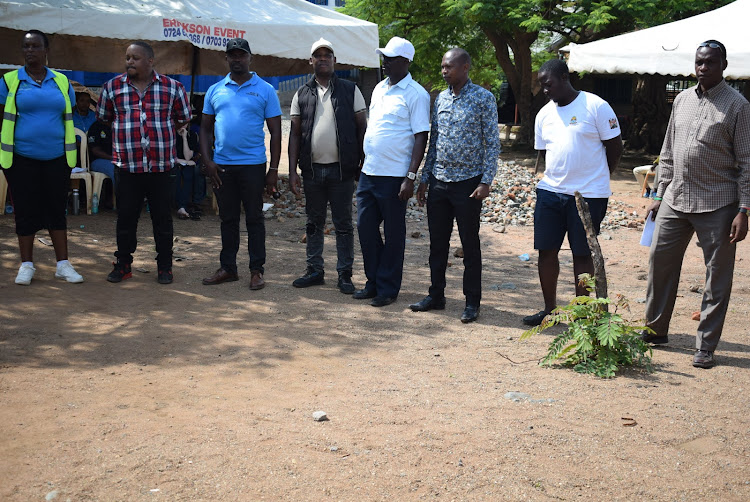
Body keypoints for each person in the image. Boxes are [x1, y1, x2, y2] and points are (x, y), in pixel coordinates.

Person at [642, 40, 750, 369]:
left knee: (717, 276)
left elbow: (747, 162)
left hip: (718, 202)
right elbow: (669, 151)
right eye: (699, 62)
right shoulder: (682, 100)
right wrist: (657, 196)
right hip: (676, 197)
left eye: (711, 63)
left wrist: (744, 210)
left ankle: (705, 345)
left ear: (724, 65)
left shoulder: (738, 106)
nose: (703, 68)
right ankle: (655, 330)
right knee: (660, 262)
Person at [523, 58, 622, 326]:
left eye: (548, 84)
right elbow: (546, 154)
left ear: (565, 78)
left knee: (582, 254)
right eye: (542, 85)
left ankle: (583, 316)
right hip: (550, 191)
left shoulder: (595, 106)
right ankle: (549, 311)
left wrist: (598, 177)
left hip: (588, 195)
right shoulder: (544, 114)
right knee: (546, 251)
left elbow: (615, 148)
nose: (545, 90)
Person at [410, 48, 500, 323]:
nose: (444, 71)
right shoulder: (439, 100)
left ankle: (472, 302)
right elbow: (434, 142)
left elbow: (492, 143)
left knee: (469, 245)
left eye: (448, 67)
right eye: (442, 67)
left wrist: (486, 181)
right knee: (437, 243)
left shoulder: (484, 98)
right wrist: (425, 179)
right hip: (439, 181)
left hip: (468, 184)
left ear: (465, 67)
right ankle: (436, 295)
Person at [97, 40, 191, 284]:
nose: (129, 61)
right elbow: (105, 118)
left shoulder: (173, 88)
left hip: (161, 167)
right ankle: (123, 265)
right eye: (127, 57)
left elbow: (183, 119)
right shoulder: (112, 87)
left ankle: (165, 267)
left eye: (135, 58)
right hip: (127, 167)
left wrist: (160, 135)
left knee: (162, 218)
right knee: (126, 218)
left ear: (150, 61)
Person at [0, 29, 84, 285]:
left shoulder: (62, 82)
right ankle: (26, 265)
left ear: (46, 51)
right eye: (26, 47)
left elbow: (67, 117)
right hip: (21, 158)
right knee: (25, 210)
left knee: (56, 209)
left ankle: (63, 265)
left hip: (58, 157)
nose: (29, 51)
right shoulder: (9, 81)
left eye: (35, 46)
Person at [200, 38, 282, 290]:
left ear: (249, 57)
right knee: (228, 219)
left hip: (253, 166)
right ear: (226, 58)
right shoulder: (215, 90)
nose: (237, 59)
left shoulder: (265, 89)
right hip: (222, 167)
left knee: (254, 218)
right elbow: (203, 129)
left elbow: (276, 132)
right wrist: (208, 162)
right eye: (232, 55)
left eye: (241, 55)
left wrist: (274, 171)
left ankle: (256, 270)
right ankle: (228, 268)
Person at [287, 38, 367, 294]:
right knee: (314, 222)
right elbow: (295, 134)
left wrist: (363, 161)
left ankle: (345, 274)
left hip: (342, 171)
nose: (322, 59)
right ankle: (314, 270)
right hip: (312, 171)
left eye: (327, 55)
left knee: (343, 224)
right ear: (311, 61)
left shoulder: (350, 89)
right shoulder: (301, 94)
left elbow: (361, 127)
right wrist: (292, 172)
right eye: (317, 55)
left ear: (335, 60)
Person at [355, 36, 430, 307]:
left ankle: (388, 288)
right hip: (370, 172)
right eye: (383, 57)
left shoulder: (417, 94)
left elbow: (421, 137)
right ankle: (373, 281)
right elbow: (375, 128)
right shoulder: (378, 89)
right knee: (365, 228)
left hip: (395, 176)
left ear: (406, 61)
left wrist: (410, 176)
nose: (384, 62)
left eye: (390, 58)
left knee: (394, 234)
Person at [173, 122, 202, 220]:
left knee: (188, 174)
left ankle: (182, 207)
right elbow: (168, 155)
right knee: (176, 175)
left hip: (186, 163)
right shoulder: (171, 133)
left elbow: (188, 156)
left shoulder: (192, 135)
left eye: (185, 123)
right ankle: (179, 206)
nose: (183, 126)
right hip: (173, 163)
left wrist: (185, 138)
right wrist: (182, 161)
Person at [87, 119, 115, 194]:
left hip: (117, 160)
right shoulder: (95, 126)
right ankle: (124, 200)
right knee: (116, 170)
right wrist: (113, 158)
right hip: (98, 160)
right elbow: (95, 150)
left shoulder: (119, 125)